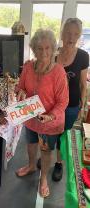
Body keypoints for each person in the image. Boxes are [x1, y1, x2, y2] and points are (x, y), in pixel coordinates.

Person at [15, 28, 69, 197]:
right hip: (30, 117)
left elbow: (63, 101)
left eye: (47, 48)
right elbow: (20, 87)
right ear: (34, 49)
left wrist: (50, 116)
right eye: (39, 48)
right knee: (31, 144)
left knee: (46, 150)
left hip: (50, 122)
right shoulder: (28, 67)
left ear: (53, 49)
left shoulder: (59, 72)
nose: (44, 52)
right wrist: (20, 92)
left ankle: (43, 177)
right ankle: (31, 166)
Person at [51, 17, 89, 181]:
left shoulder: (83, 56)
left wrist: (82, 106)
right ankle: (47, 156)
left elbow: (83, 84)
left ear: (79, 35)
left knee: (62, 134)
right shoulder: (53, 54)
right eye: (68, 33)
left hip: (71, 106)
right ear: (62, 33)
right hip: (51, 104)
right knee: (49, 132)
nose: (71, 38)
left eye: (75, 34)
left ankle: (58, 163)